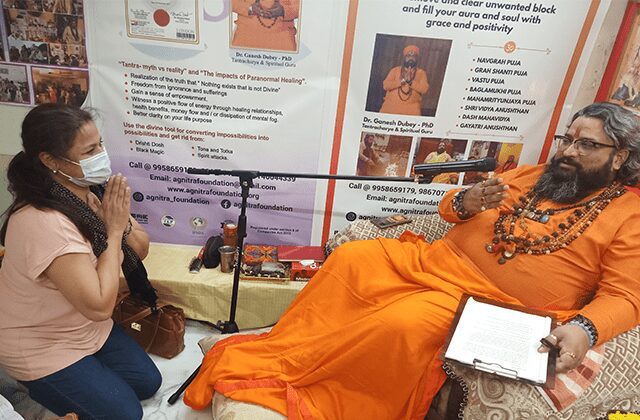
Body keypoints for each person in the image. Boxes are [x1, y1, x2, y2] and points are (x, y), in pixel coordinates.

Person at [183, 102, 640, 419]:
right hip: (433, 262)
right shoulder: (533, 175)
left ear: (619, 157)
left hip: (488, 303)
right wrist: (464, 202)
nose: (568, 152)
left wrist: (586, 329)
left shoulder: (629, 215)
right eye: (567, 140)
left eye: (586, 145)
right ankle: (292, 354)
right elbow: (449, 210)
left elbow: (627, 296)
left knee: (402, 323)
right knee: (352, 260)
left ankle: (330, 397)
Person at [0, 104, 162, 419]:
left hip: (84, 327)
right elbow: (99, 306)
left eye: (100, 144)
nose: (101, 155)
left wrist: (118, 226)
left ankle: (85, 377)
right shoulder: (43, 221)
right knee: (126, 414)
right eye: (89, 151)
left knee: (147, 383)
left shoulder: (89, 191)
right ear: (50, 160)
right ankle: (29, 389)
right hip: (39, 342)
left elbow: (140, 249)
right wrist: (113, 231)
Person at [379, 44, 429, 116]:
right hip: (391, 106)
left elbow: (424, 89)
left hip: (412, 108)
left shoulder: (421, 73)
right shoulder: (395, 70)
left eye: (413, 56)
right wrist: (402, 81)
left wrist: (411, 82)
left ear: (416, 59)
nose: (411, 58)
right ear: (404, 58)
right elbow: (386, 86)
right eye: (408, 56)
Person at [231, 0, 299, 52]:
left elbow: (301, 7)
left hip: (282, 41)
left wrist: (283, 11)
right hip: (245, 38)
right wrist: (250, 8)